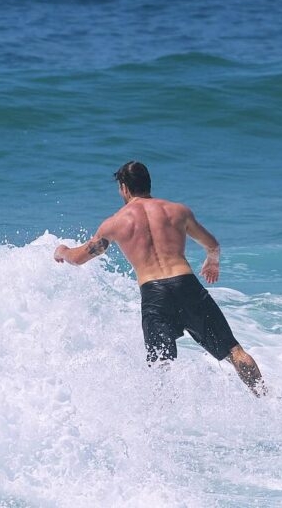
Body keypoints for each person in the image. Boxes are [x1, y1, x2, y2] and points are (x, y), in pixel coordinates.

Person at [54, 161, 266, 396]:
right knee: (234, 351)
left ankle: (163, 422)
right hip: (187, 285)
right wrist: (212, 261)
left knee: (160, 365)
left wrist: (62, 251)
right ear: (148, 183)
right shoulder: (178, 211)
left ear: (124, 188)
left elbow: (78, 258)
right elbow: (212, 244)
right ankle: (267, 400)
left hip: (154, 295)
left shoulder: (114, 223)